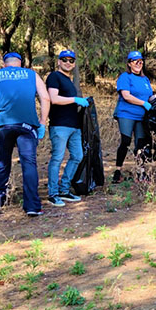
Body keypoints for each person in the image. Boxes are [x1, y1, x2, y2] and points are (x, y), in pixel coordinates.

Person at [0, 52, 50, 216]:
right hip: (27, 125)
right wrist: (42, 123)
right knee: (29, 163)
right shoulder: (32, 74)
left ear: (4, 64)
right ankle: (32, 206)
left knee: (3, 159)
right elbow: (45, 98)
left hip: (4, 125)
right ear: (20, 63)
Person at [45, 50, 89, 207]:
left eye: (71, 60)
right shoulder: (54, 77)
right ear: (58, 61)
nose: (68, 63)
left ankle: (64, 189)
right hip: (60, 125)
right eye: (64, 60)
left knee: (77, 156)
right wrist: (75, 99)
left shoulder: (69, 81)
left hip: (73, 125)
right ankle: (53, 193)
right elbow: (54, 99)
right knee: (57, 158)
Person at [112, 50, 154, 184]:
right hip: (126, 114)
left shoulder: (145, 79)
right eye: (135, 62)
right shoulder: (125, 77)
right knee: (126, 141)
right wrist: (143, 103)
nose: (138, 64)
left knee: (141, 144)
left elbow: (149, 96)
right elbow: (126, 96)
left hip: (141, 116)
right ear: (129, 64)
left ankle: (141, 172)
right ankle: (118, 171)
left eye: (140, 62)